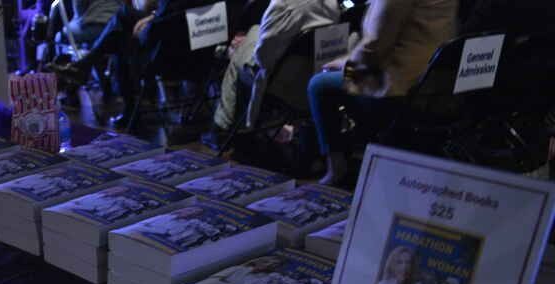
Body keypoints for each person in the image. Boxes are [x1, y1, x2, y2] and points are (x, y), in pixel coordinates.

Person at [307, 0, 458, 185]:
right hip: (433, 81)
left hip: (395, 81)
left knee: (319, 83)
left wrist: (346, 65)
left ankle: (336, 168)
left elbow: (375, 46)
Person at [50, 0, 213, 127]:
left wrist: (150, 22)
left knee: (121, 36)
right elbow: (173, 13)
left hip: (172, 57)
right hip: (202, 49)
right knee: (122, 20)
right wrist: (153, 17)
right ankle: (85, 66)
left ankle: (85, 67)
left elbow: (164, 22)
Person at [203, 0, 341, 149]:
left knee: (240, 52)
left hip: (283, 84)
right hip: (317, 76)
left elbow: (263, 58)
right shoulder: (332, 3)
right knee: (252, 36)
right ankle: (262, 126)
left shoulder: (283, 5)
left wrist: (242, 46)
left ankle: (222, 128)